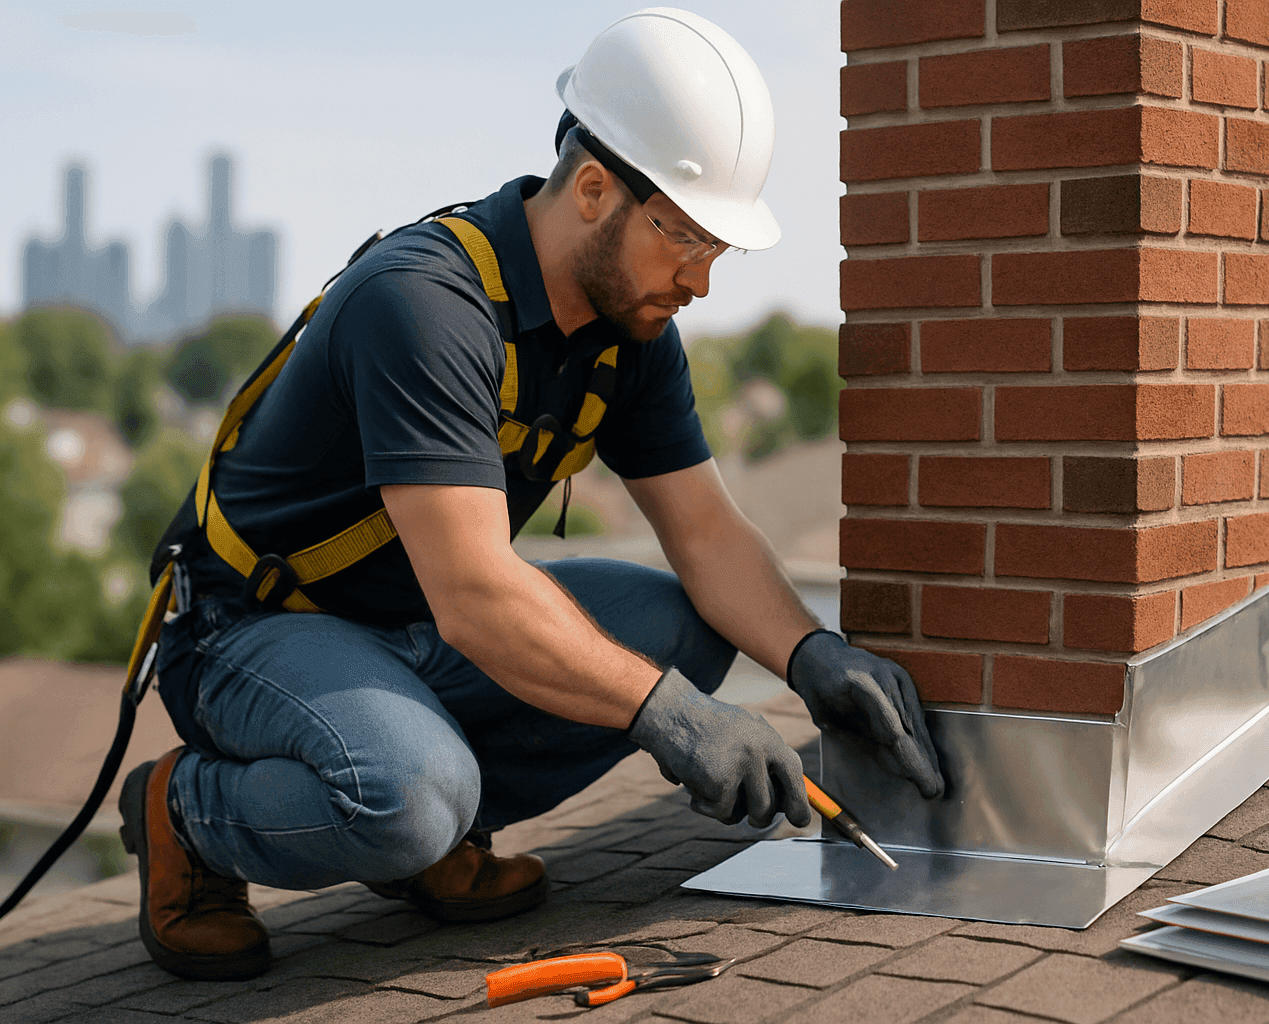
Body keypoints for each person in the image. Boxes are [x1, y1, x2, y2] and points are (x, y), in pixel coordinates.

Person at [119, 8, 943, 982]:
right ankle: (189, 812)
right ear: (595, 189)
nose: (704, 283)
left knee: (681, 627)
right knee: (412, 790)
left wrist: (813, 655)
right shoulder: (426, 304)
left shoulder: (629, 339)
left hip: (408, 627)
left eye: (723, 252)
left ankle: (438, 836)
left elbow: (708, 534)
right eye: (689, 240)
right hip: (249, 626)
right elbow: (475, 594)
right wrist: (669, 716)